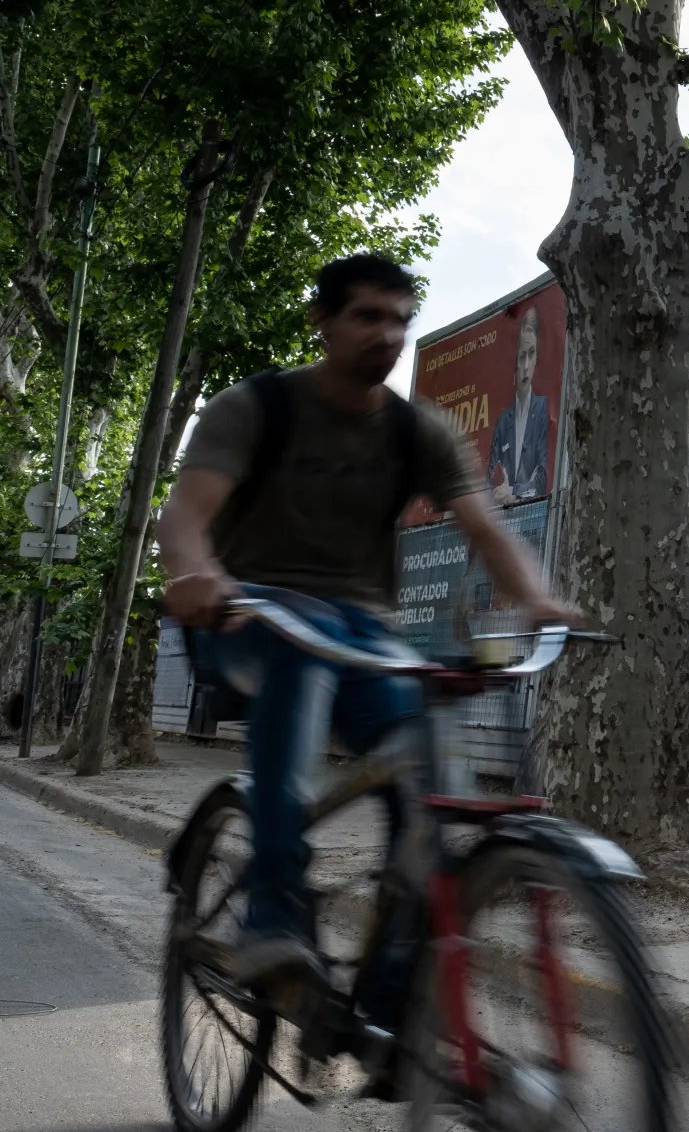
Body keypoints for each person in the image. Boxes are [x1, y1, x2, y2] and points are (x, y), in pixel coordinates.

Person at [157, 254, 573, 992]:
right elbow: (185, 517)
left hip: (357, 634)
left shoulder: (420, 434)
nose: (388, 334)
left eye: (400, 321)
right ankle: (273, 914)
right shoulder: (256, 408)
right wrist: (194, 574)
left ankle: (385, 1003)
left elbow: (489, 531)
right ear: (321, 320)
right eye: (367, 316)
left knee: (429, 771)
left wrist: (536, 598)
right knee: (298, 659)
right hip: (244, 612)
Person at [487, 304, 551, 504]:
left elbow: (542, 479)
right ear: (514, 361)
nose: (525, 366)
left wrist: (513, 491)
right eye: (522, 356)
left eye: (531, 354)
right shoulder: (503, 421)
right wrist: (498, 492)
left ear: (537, 357)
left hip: (533, 520)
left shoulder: (542, 409)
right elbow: (489, 479)